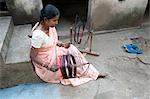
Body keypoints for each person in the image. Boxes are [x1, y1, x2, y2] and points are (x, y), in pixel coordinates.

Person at [30, 4, 107, 86]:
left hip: (54, 50)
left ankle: (91, 72)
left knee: (72, 49)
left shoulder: (49, 26)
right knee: (67, 65)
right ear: (45, 20)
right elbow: (33, 55)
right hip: (46, 59)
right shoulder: (38, 35)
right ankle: (85, 73)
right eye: (54, 20)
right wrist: (48, 66)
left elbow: (51, 41)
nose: (57, 23)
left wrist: (61, 44)